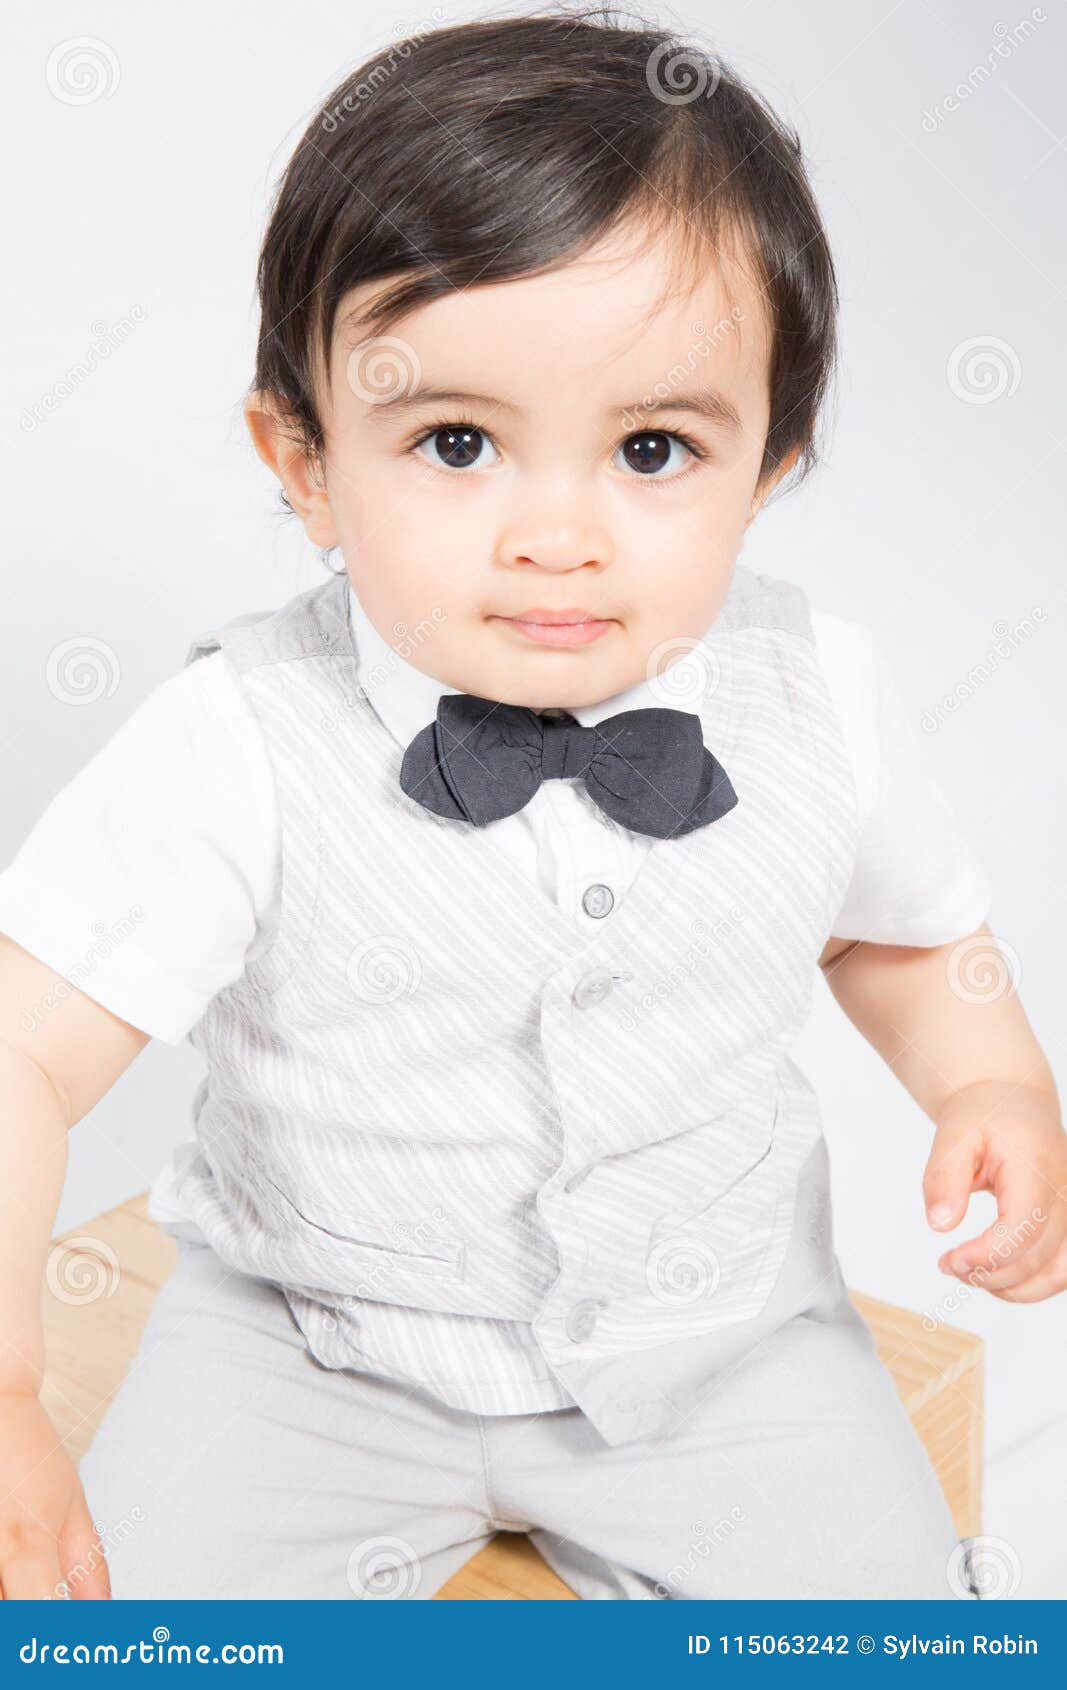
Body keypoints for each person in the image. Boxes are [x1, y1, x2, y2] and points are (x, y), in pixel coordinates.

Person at [1, 7, 1063, 1602]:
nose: (557, 534)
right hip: (309, 1354)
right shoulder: (239, 732)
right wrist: (11, 1398)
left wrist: (992, 1080)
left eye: (651, 448)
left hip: (725, 1356)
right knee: (131, 1632)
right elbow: (23, 1049)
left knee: (888, 1634)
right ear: (301, 459)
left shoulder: (817, 692)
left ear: (767, 461)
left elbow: (905, 934)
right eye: (456, 443)